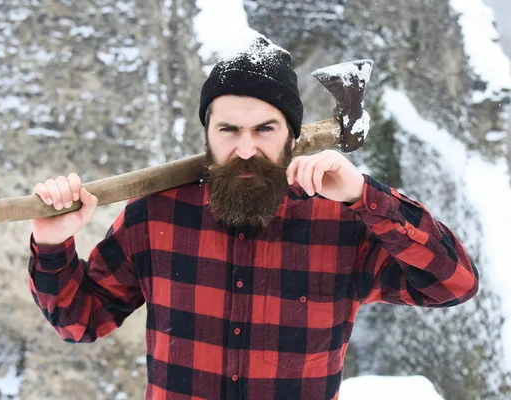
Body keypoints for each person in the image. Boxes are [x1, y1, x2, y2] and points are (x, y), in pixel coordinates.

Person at [28, 36, 479, 400]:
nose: (246, 149)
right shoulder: (154, 215)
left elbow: (453, 284)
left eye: (265, 129)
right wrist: (51, 245)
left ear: (293, 136)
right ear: (207, 133)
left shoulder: (343, 223)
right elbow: (79, 321)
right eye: (228, 129)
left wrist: (365, 195)